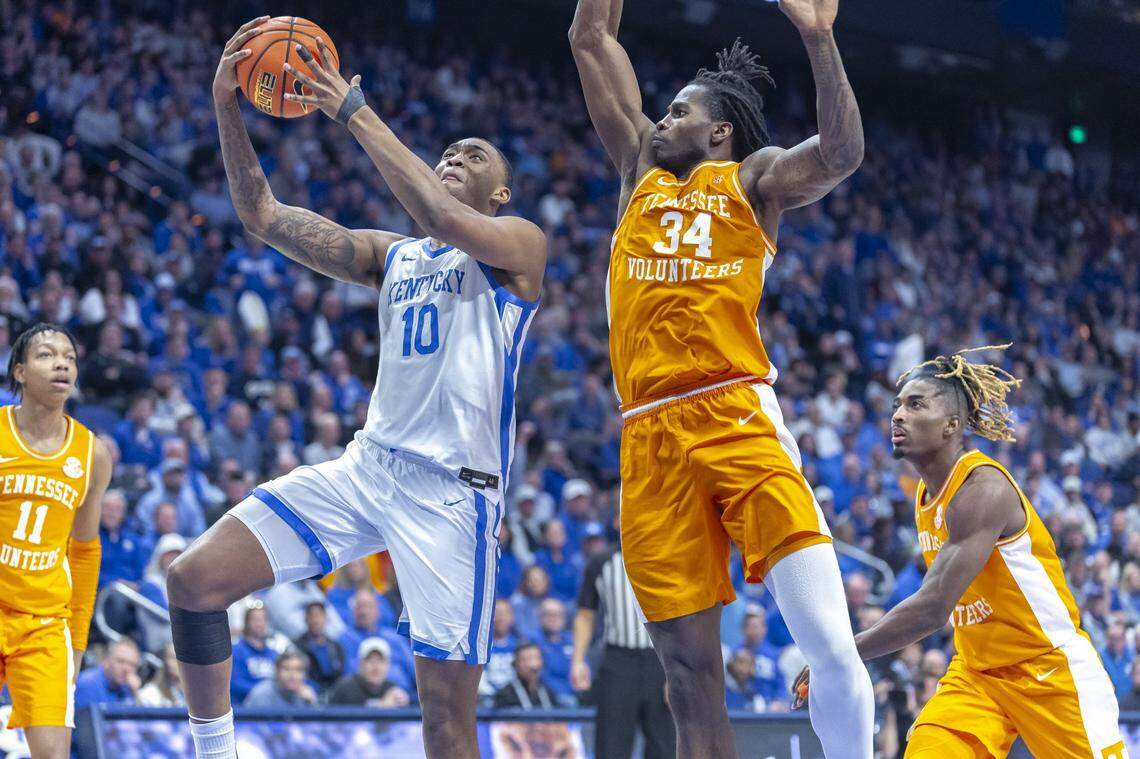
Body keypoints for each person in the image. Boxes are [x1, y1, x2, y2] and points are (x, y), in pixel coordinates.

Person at [168, 19, 546, 759]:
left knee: (445, 721)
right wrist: (226, 105)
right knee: (194, 579)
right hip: (369, 468)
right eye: (447, 151)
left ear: (500, 191)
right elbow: (262, 216)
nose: (452, 158)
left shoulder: (519, 251)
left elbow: (443, 216)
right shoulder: (392, 257)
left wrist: (352, 111)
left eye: (472, 156)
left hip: (452, 493)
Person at [569, 0, 872, 754]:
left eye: (677, 111)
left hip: (734, 412)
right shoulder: (638, 172)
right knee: (684, 670)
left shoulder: (753, 181)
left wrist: (819, 37)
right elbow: (589, 36)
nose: (660, 120)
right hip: (648, 435)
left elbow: (840, 154)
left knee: (830, 645)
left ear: (719, 131)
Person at [794, 346, 1126, 758]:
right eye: (897, 405)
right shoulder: (923, 493)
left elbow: (932, 608)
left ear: (952, 424)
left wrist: (840, 654)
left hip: (1047, 667)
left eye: (916, 405)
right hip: (977, 675)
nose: (898, 414)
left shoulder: (981, 490)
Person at [0, 323, 113, 758]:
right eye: (46, 355)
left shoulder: (91, 454)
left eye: (68, 356)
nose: (62, 362)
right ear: (21, 372)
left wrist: (78, 643)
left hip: (45, 625)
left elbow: (85, 554)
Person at [572, 536, 673, 759]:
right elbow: (585, 614)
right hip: (618, 661)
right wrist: (578, 660)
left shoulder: (668, 557)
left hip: (661, 661)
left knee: (665, 746)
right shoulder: (602, 561)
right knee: (611, 745)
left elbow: (681, 619)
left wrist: (675, 672)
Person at [327, 637, 412, 708]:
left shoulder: (392, 689)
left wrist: (404, 703)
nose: (375, 666)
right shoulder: (344, 689)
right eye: (369, 660)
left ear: (388, 665)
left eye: (380, 660)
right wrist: (382, 706)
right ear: (360, 664)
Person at [73, 638, 141, 710]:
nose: (126, 669)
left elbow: (142, 720)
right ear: (106, 661)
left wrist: (136, 693)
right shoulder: (87, 685)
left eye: (132, 665)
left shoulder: (128, 688)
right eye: (121, 661)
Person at [243, 649, 318, 708]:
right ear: (277, 672)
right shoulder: (262, 694)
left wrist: (311, 703)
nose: (292, 675)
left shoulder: (307, 695)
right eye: (286, 669)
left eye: (298, 670)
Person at [493, 642, 557, 709]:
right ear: (515, 665)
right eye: (527, 660)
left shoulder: (548, 693)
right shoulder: (505, 695)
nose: (533, 665)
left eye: (537, 658)